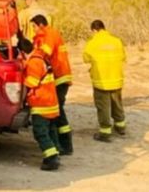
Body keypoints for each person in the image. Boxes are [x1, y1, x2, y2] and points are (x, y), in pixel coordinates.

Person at [31, 14, 74, 155]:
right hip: (59, 75)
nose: (33, 30)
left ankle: (65, 145)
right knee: (57, 110)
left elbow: (45, 52)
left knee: (57, 111)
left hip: (59, 76)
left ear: (40, 25)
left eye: (34, 27)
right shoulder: (49, 34)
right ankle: (62, 145)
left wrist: (31, 56)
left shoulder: (50, 34)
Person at [83, 19, 127, 142]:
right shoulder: (117, 41)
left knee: (103, 106)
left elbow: (86, 58)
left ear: (94, 30)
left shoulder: (92, 43)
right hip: (116, 78)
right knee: (117, 103)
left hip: (101, 80)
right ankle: (120, 126)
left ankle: (105, 132)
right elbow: (123, 56)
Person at [24, 46, 61, 171]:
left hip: (41, 104)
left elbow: (32, 83)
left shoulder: (34, 62)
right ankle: (55, 152)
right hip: (50, 103)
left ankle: (52, 159)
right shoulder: (42, 59)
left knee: (40, 132)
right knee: (51, 131)